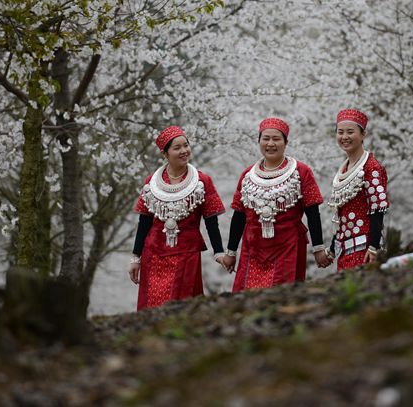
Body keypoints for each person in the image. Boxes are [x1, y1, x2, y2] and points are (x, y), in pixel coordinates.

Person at [219, 117, 331, 290]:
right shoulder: (247, 175)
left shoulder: (301, 172)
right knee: (247, 298)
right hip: (253, 248)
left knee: (280, 296)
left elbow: (312, 212)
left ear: (286, 142)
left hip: (288, 246)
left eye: (276, 139)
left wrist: (318, 248)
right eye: (266, 138)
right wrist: (231, 252)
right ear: (259, 141)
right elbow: (239, 216)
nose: (270, 143)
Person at [129, 126, 226, 310]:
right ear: (164, 153)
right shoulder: (152, 182)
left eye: (186, 145)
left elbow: (211, 221)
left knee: (180, 307)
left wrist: (219, 252)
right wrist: (136, 258)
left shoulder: (202, 181)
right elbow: (144, 222)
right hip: (154, 254)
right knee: (151, 307)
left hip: (186, 253)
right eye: (177, 148)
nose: (184, 151)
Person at [326, 109, 389, 270]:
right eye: (340, 132)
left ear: (363, 134)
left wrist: (374, 246)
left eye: (350, 132)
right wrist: (333, 249)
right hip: (344, 247)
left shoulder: (372, 167)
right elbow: (341, 215)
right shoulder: (345, 168)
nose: (344, 137)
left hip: (364, 246)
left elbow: (377, 210)